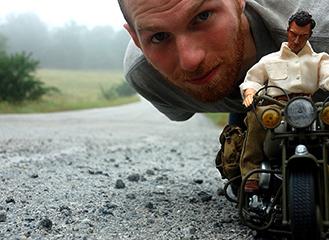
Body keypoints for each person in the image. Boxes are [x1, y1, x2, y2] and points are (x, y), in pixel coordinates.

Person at [117, 0, 329, 181]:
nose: (190, 61)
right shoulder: (147, 77)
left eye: (203, 16)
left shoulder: (320, 41)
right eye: (159, 37)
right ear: (136, 39)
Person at [239, 10, 329, 192]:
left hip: (308, 107)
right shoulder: (270, 60)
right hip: (276, 106)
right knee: (256, 117)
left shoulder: (319, 59)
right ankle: (252, 173)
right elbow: (253, 79)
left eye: (302, 36)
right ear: (287, 30)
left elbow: (327, 76)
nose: (296, 40)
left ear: (309, 35)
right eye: (293, 34)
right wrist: (250, 92)